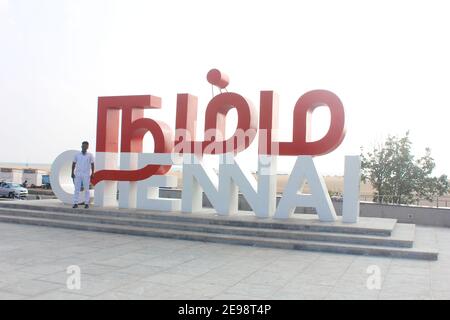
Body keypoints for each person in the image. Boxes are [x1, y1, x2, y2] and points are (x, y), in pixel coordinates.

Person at [71, 141, 95, 209]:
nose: (84, 147)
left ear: (87, 147)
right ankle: (75, 203)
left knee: (86, 189)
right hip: (78, 174)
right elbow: (73, 163)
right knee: (76, 189)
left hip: (86, 174)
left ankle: (86, 203)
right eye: (83, 145)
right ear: (81, 146)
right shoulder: (77, 155)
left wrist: (92, 173)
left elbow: (92, 164)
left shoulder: (90, 155)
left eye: (85, 146)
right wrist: (72, 172)